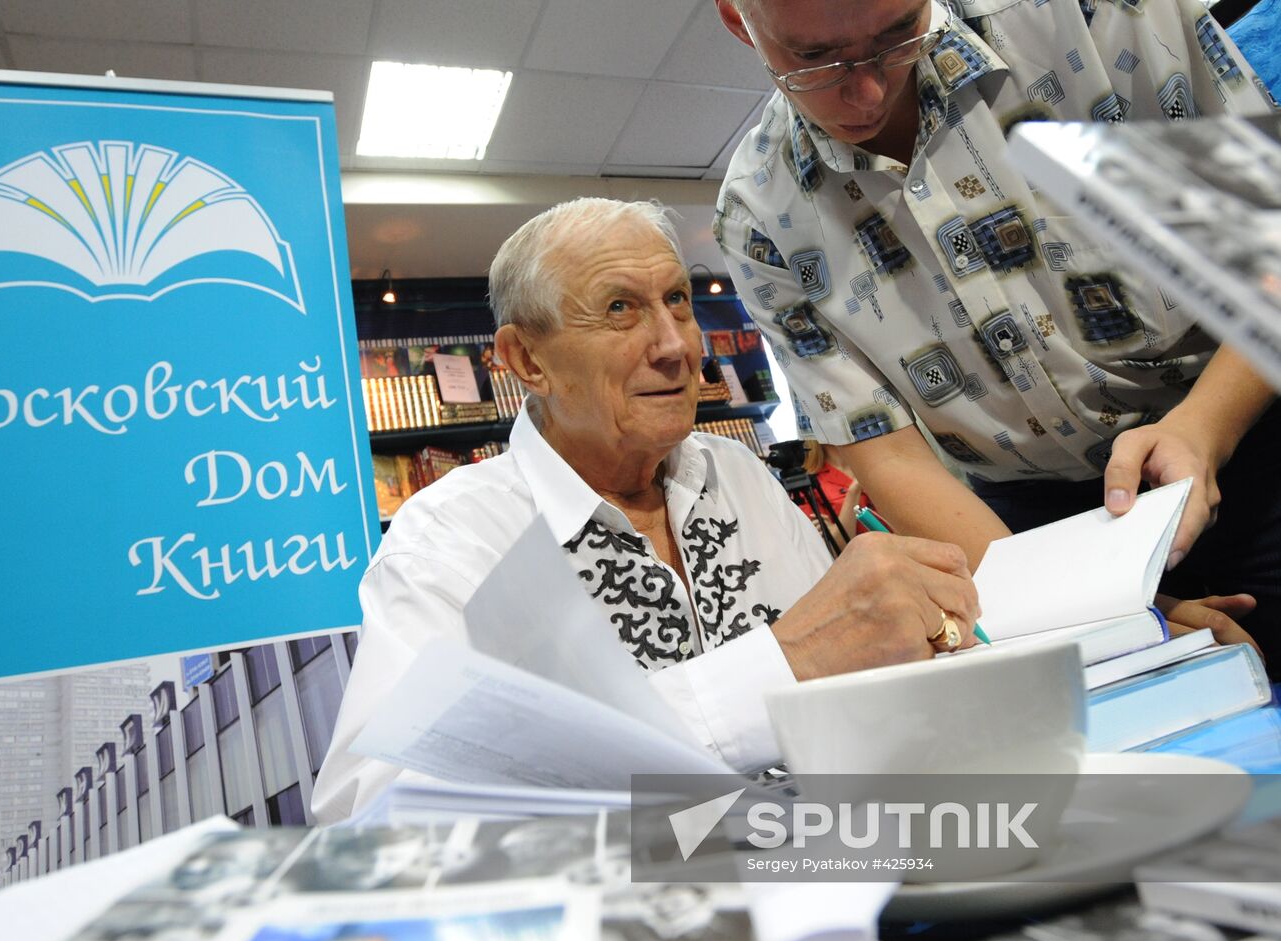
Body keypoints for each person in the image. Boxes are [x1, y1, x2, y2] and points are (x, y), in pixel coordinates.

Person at [310, 198, 982, 824]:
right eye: (620, 309)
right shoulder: (454, 538)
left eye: (677, 302)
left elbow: (848, 690)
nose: (677, 346)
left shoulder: (740, 476)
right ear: (526, 360)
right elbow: (377, 812)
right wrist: (781, 665)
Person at [712, 0, 1276, 657]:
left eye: (898, 35)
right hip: (1021, 530)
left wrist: (1205, 425)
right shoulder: (757, 216)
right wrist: (1082, 608)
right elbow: (887, 452)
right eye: (814, 58)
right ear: (735, 17)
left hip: (1249, 425)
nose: (866, 90)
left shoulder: (1103, 17)